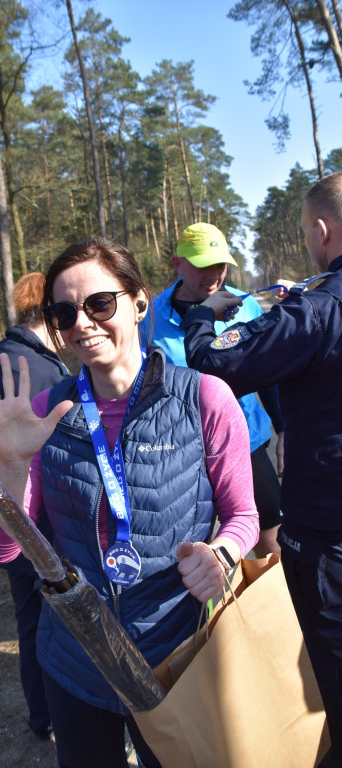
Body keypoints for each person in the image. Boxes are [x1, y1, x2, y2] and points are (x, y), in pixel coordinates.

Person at [0, 239, 259, 768]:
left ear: (139, 302)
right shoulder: (44, 412)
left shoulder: (205, 399)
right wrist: (9, 466)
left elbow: (244, 518)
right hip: (74, 659)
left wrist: (221, 554)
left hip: (174, 653)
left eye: (100, 303)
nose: (82, 323)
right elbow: (5, 551)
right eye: (64, 312)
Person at [181, 172, 342, 767]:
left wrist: (205, 315)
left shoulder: (318, 306)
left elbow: (214, 363)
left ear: (322, 230)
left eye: (306, 233)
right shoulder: (312, 301)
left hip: (328, 532)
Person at [141, 222, 284, 556]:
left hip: (247, 442)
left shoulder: (245, 307)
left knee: (270, 538)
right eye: (202, 264)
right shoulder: (148, 320)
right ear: (178, 264)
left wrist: (283, 428)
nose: (214, 274)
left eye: (219, 264)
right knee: (192, 550)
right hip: (183, 452)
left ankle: (273, 604)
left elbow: (266, 375)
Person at [0, 272, 69, 742]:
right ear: (48, 313)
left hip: (1, 518)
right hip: (41, 525)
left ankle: (39, 717)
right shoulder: (46, 373)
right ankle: (58, 714)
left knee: (28, 621)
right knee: (54, 625)